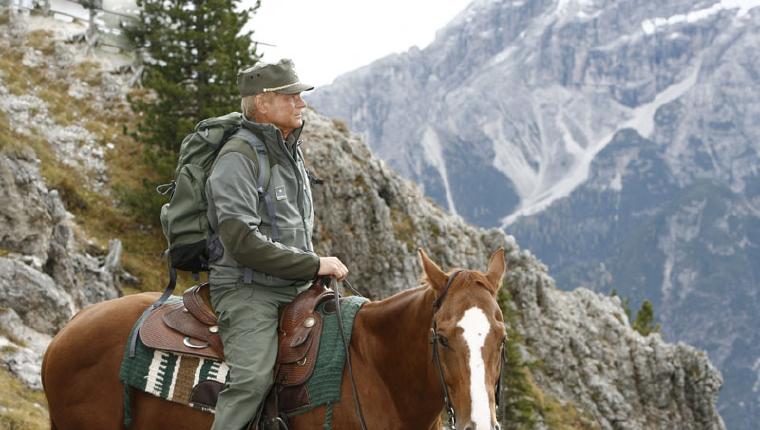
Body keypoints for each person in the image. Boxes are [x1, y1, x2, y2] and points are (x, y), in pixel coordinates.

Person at [205, 58, 348, 430]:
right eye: (292, 96)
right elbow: (242, 242)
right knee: (252, 380)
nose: (301, 102)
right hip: (248, 290)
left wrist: (309, 272)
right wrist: (314, 264)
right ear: (263, 102)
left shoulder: (290, 154)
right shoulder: (238, 157)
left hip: (295, 287)